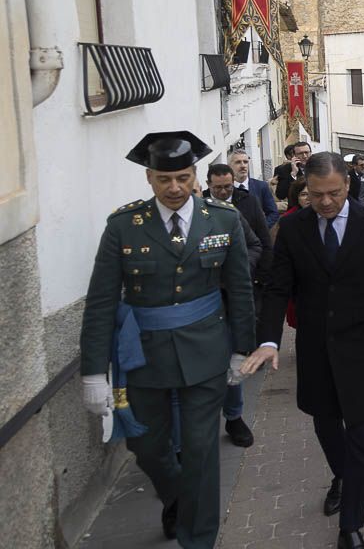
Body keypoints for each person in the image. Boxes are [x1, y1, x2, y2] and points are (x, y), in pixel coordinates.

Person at [241, 152, 364, 549]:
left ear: (349, 186)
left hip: (363, 348)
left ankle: (351, 526)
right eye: (317, 194)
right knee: (326, 424)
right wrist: (269, 339)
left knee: (362, 434)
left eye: (334, 193)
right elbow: (278, 287)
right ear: (305, 190)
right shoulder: (293, 229)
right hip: (316, 348)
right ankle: (341, 475)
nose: (326, 202)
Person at [80, 131, 255, 547]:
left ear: (194, 175)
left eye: (182, 177)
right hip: (144, 356)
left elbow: (240, 290)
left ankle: (198, 539)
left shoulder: (223, 219)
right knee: (146, 446)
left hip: (205, 351)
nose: (174, 188)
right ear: (149, 179)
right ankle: (179, 496)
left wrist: (240, 350)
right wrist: (93, 373)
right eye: (164, 179)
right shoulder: (124, 226)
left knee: (200, 450)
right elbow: (102, 302)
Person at [204, 163, 274, 448]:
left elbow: (258, 244)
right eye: (217, 187)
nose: (222, 192)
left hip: (233, 300)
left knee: (233, 365)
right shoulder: (199, 213)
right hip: (201, 305)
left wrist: (238, 268)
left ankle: (234, 417)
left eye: (227, 187)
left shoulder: (237, 211)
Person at [229, 148, 280, 228]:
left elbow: (273, 213)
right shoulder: (226, 188)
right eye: (238, 162)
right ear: (230, 166)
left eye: (245, 162)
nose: (243, 166)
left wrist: (261, 229)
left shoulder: (261, 186)